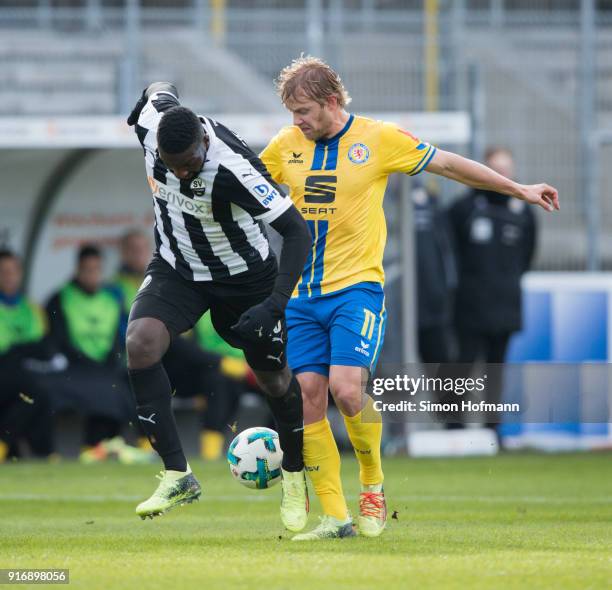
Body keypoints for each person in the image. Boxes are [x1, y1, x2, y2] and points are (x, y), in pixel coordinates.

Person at [260, 56, 559, 540]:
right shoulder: (284, 146)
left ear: (332, 102)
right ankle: (334, 518)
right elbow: (246, 184)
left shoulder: (378, 139)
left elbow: (448, 164)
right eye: (292, 112)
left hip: (356, 288)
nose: (297, 121)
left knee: (348, 390)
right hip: (301, 295)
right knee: (309, 399)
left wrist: (516, 188)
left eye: (304, 111)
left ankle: (373, 485)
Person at [125, 82, 312, 526]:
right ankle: (177, 474)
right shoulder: (154, 126)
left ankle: (295, 475)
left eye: (191, 164)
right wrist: (144, 101)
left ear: (204, 143)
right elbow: (156, 90)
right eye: (174, 167)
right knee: (140, 342)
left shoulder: (235, 170)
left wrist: (275, 303)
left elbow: (297, 233)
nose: (185, 174)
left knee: (274, 379)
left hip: (246, 279)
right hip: (179, 267)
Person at [448, 147, 537, 434]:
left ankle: (492, 431)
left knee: (495, 370)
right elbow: (451, 252)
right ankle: (455, 429)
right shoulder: (464, 208)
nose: (501, 176)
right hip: (470, 305)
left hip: (506, 304)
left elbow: (527, 256)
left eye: (505, 170)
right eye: (494, 170)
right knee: (462, 368)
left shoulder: (523, 211)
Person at [45, 244, 135, 456]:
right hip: (74, 367)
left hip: (106, 366)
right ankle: (92, 449)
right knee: (102, 389)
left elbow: (117, 340)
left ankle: (131, 445)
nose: (92, 275)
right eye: (88, 270)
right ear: (78, 270)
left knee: (129, 384)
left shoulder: (111, 299)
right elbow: (58, 341)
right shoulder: (60, 298)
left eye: (97, 270)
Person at [0, 249, 55, 461]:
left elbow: (43, 346)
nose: (9, 276)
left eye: (12, 271)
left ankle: (13, 446)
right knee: (34, 390)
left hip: (26, 375)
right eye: (3, 271)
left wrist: (22, 350)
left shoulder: (31, 308)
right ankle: (41, 451)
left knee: (39, 391)